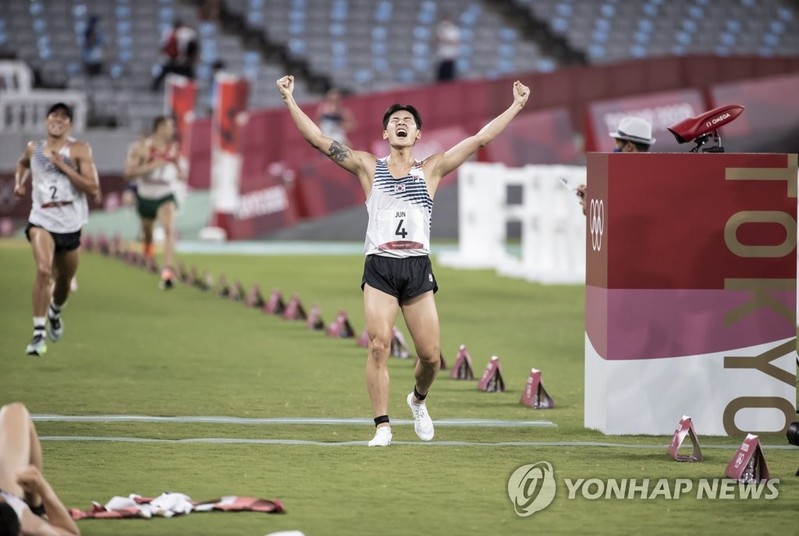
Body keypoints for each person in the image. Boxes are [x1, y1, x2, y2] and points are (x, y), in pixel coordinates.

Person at [276, 74, 530, 446]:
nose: (400, 123)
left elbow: (481, 139)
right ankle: (382, 425)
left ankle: (418, 400)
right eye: (394, 120)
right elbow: (317, 140)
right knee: (378, 344)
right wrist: (289, 99)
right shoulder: (367, 166)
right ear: (385, 134)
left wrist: (517, 105)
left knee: (431, 359)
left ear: (417, 135)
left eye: (407, 121)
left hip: (417, 267)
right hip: (379, 265)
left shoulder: (431, 168)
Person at [13, 102, 100, 357]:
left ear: (69, 124)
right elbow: (22, 164)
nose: (58, 120)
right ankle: (38, 334)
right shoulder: (34, 148)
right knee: (43, 269)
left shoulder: (79, 149)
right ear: (46, 120)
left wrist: (63, 166)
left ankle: (55, 312)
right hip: (42, 219)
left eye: (64, 117)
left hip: (70, 224)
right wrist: (19, 184)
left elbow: (92, 188)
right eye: (54, 115)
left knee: (63, 282)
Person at [0, 402, 81, 536]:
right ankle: (35, 506)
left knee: (15, 412)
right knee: (16, 412)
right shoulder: (26, 523)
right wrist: (42, 488)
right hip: (12, 502)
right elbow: (71, 533)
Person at [124, 116, 186, 289]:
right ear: (159, 128)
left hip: (165, 194)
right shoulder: (142, 148)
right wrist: (152, 166)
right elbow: (129, 173)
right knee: (148, 234)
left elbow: (180, 170)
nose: (172, 130)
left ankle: (168, 270)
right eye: (169, 127)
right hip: (145, 196)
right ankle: (148, 255)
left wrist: (180, 174)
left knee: (168, 228)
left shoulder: (173, 148)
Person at [576, 116, 655, 214]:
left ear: (629, 147)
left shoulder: (633, 176)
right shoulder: (653, 172)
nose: (615, 148)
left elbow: (625, 217)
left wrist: (593, 210)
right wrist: (592, 200)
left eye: (617, 143)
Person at [435, 15, 461, 82]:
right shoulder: (440, 29)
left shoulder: (453, 30)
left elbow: (455, 41)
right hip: (442, 57)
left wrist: (444, 39)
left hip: (450, 57)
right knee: (440, 78)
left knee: (449, 78)